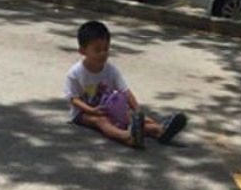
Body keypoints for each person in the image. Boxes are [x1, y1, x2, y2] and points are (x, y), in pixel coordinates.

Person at [65, 20, 187, 148]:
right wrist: (92, 110)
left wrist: (137, 112)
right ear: (82, 51)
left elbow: (125, 91)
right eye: (97, 50)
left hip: (108, 107)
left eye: (106, 49)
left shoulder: (111, 70)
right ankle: (128, 137)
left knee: (129, 116)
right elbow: (74, 99)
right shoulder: (75, 73)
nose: (103, 54)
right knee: (102, 121)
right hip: (83, 113)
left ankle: (160, 130)